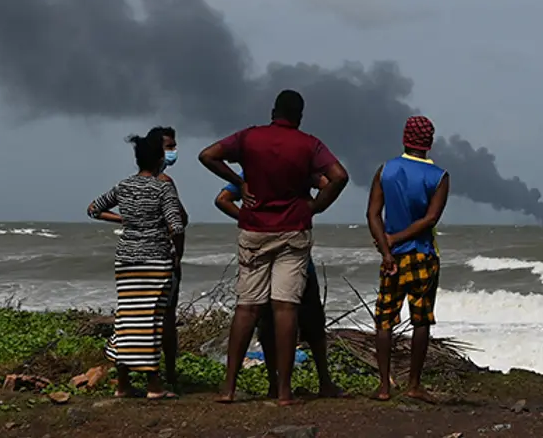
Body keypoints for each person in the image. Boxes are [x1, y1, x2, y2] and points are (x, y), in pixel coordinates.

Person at [198, 89, 349, 405]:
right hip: (292, 231)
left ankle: (228, 388)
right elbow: (338, 177)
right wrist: (315, 207)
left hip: (255, 230)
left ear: (272, 112)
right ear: (300, 116)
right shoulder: (309, 145)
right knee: (286, 308)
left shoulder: (250, 138)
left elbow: (207, 155)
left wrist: (240, 183)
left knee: (248, 308)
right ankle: (284, 392)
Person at [214, 168, 347, 399]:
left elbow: (222, 199)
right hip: (293, 251)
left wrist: (249, 218)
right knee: (309, 320)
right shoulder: (300, 166)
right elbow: (329, 183)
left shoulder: (253, 170)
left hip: (260, 245)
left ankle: (265, 384)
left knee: (262, 320)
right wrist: (310, 207)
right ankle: (318, 382)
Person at [87, 133, 186, 400]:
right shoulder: (162, 188)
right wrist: (176, 252)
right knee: (151, 320)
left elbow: (93, 209)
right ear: (158, 159)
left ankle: (123, 384)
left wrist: (125, 220)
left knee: (127, 318)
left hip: (126, 260)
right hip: (156, 260)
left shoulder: (123, 186)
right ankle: (154, 385)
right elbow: (176, 226)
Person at [366, 115, 449, 403]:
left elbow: (373, 214)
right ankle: (414, 384)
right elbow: (430, 219)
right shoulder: (439, 176)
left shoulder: (386, 170)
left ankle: (383, 387)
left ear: (404, 138)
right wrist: (396, 239)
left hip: (392, 258)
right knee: (421, 319)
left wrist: (386, 248)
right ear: (429, 142)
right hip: (422, 255)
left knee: (384, 319)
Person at [146, 125, 188, 386]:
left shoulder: (134, 183)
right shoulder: (164, 183)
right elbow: (179, 221)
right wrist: (178, 255)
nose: (173, 151)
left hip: (140, 256)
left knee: (141, 316)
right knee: (167, 318)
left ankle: (143, 371)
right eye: (169, 146)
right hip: (164, 256)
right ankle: (169, 373)